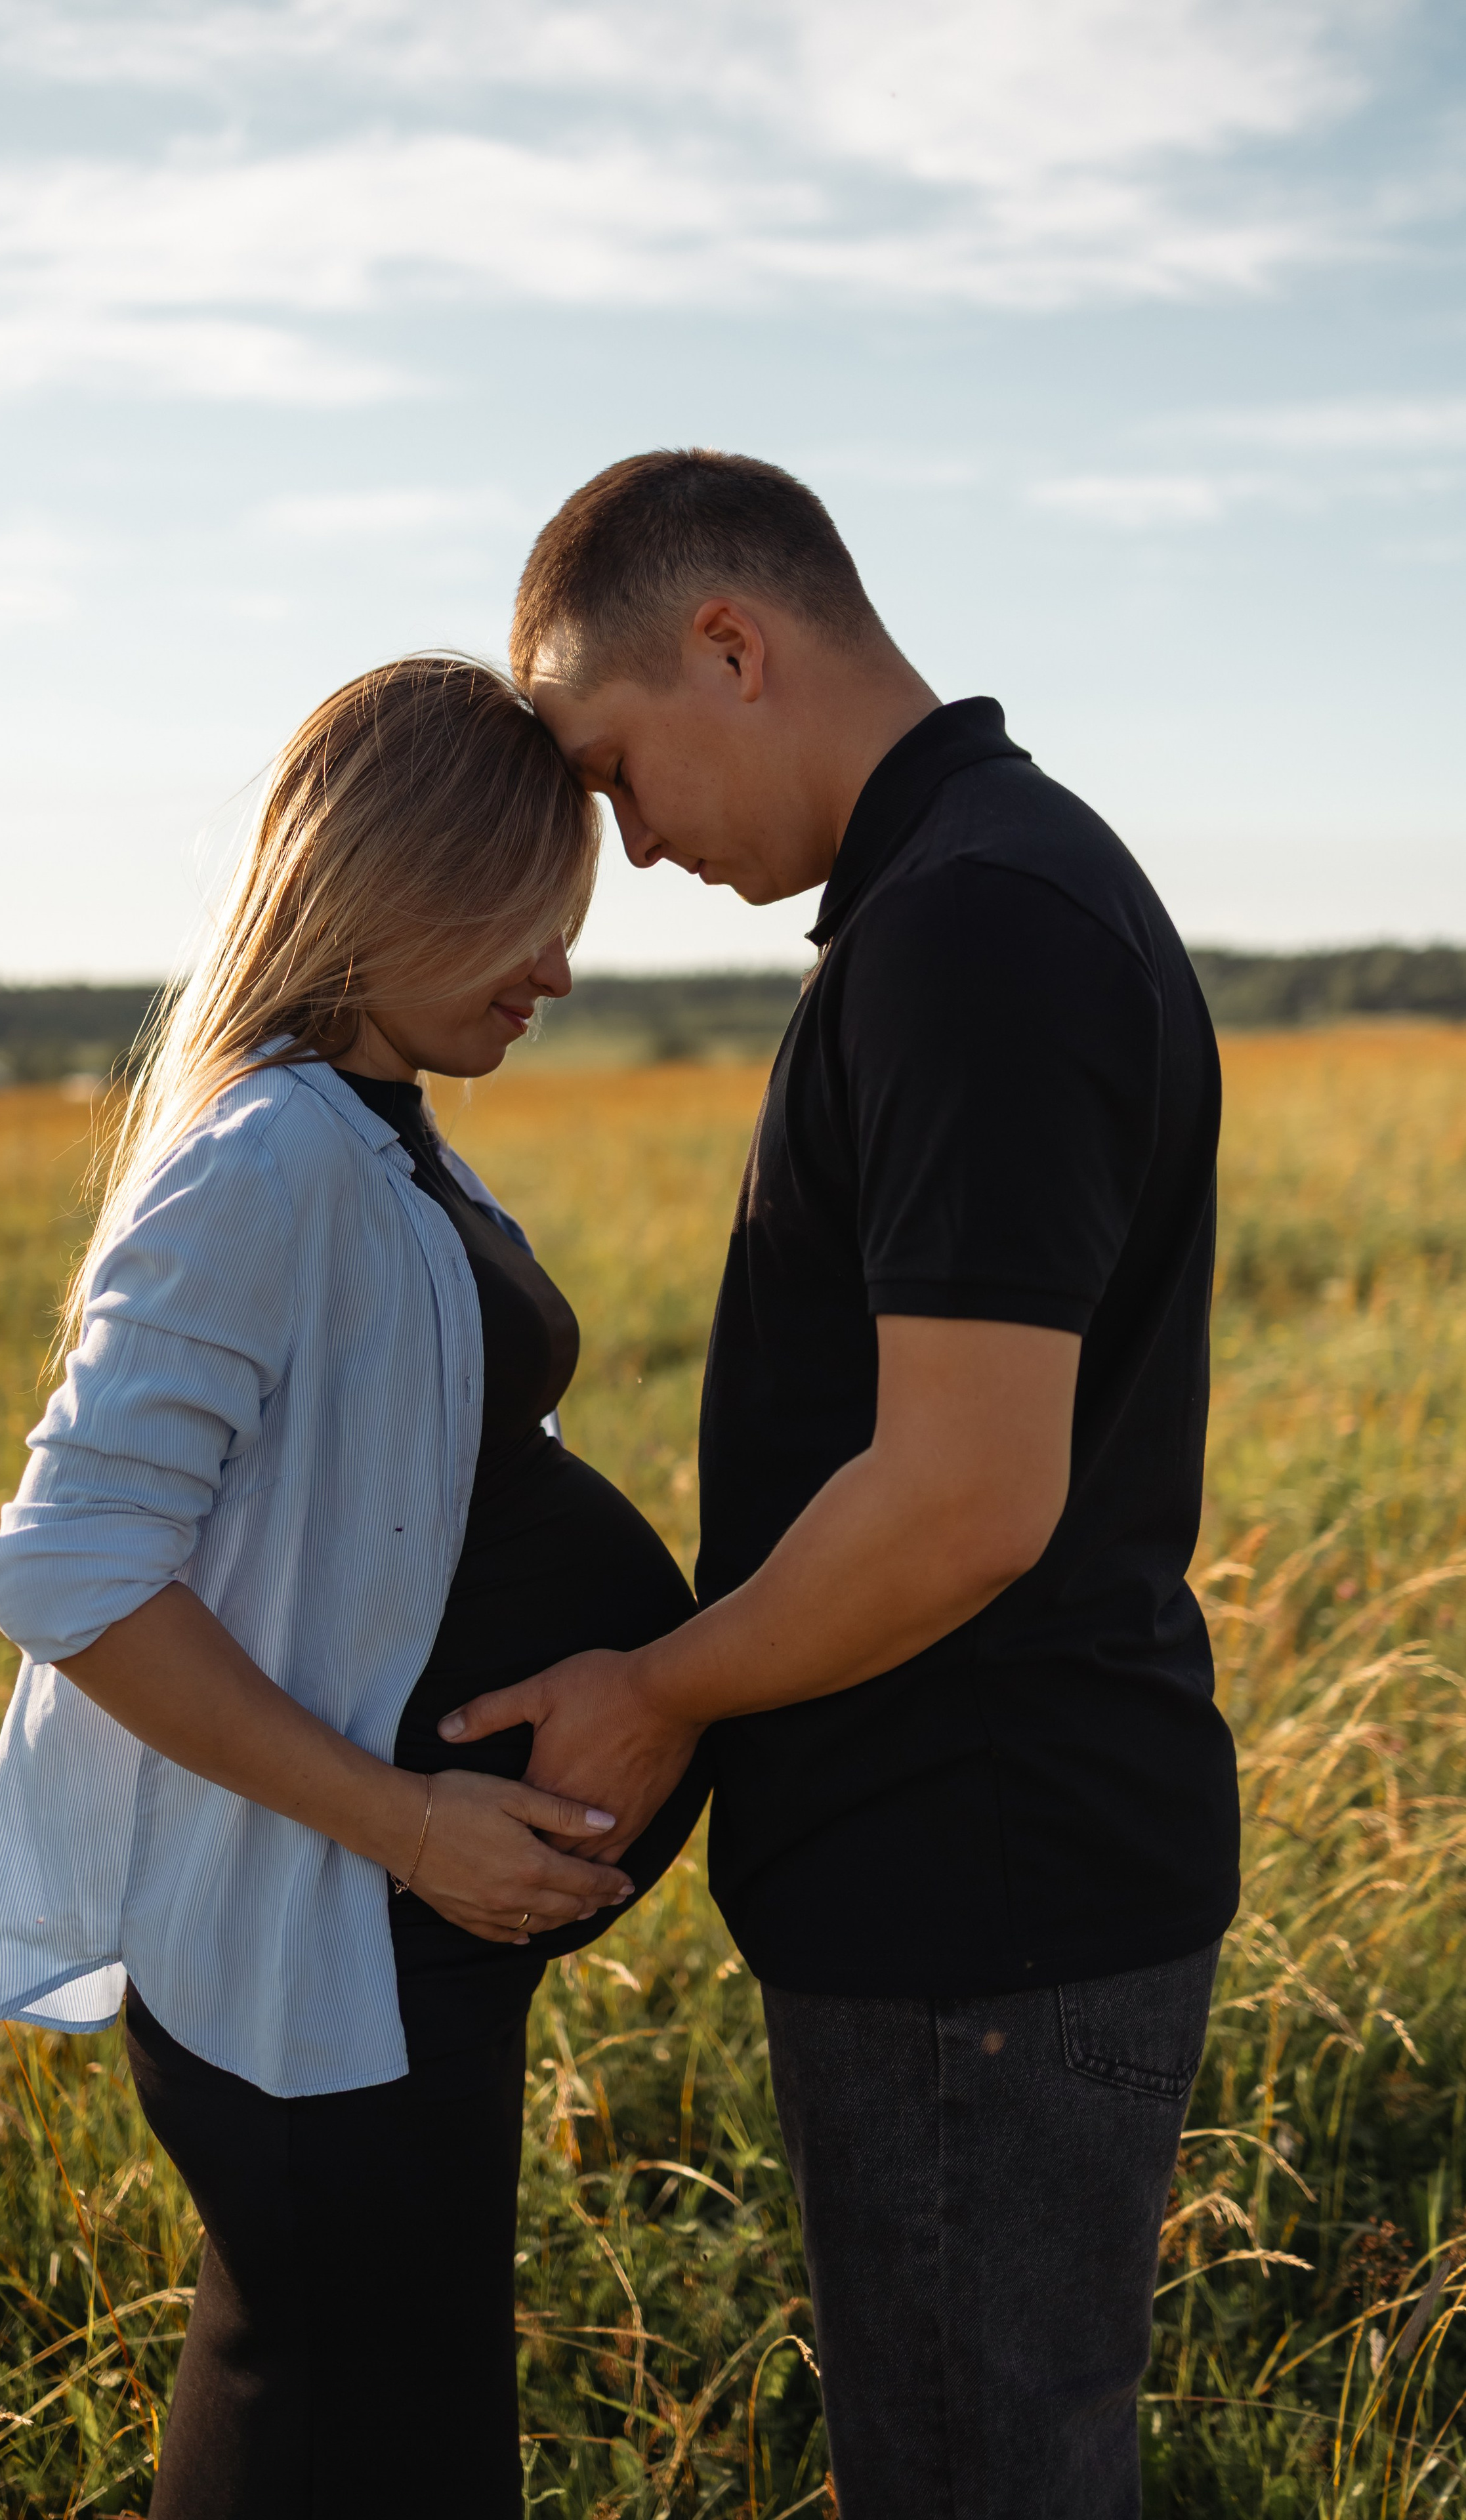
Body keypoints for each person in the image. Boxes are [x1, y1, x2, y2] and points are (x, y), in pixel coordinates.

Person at [439, 452, 1241, 2518]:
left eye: (614, 771)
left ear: (732, 646)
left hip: (985, 1896)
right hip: (985, 1878)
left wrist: (661, 1688)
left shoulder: (975, 926)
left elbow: (967, 1498)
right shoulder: (961, 893)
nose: (627, 843)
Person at [0, 656, 707, 2519]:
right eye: (527, 913)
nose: (558, 969)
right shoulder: (270, 1154)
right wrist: (411, 1826)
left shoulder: (375, 1133)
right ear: (393, 881)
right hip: (336, 1910)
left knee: (368, 2406)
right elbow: (73, 1566)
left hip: (395, 1935)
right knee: (339, 2413)